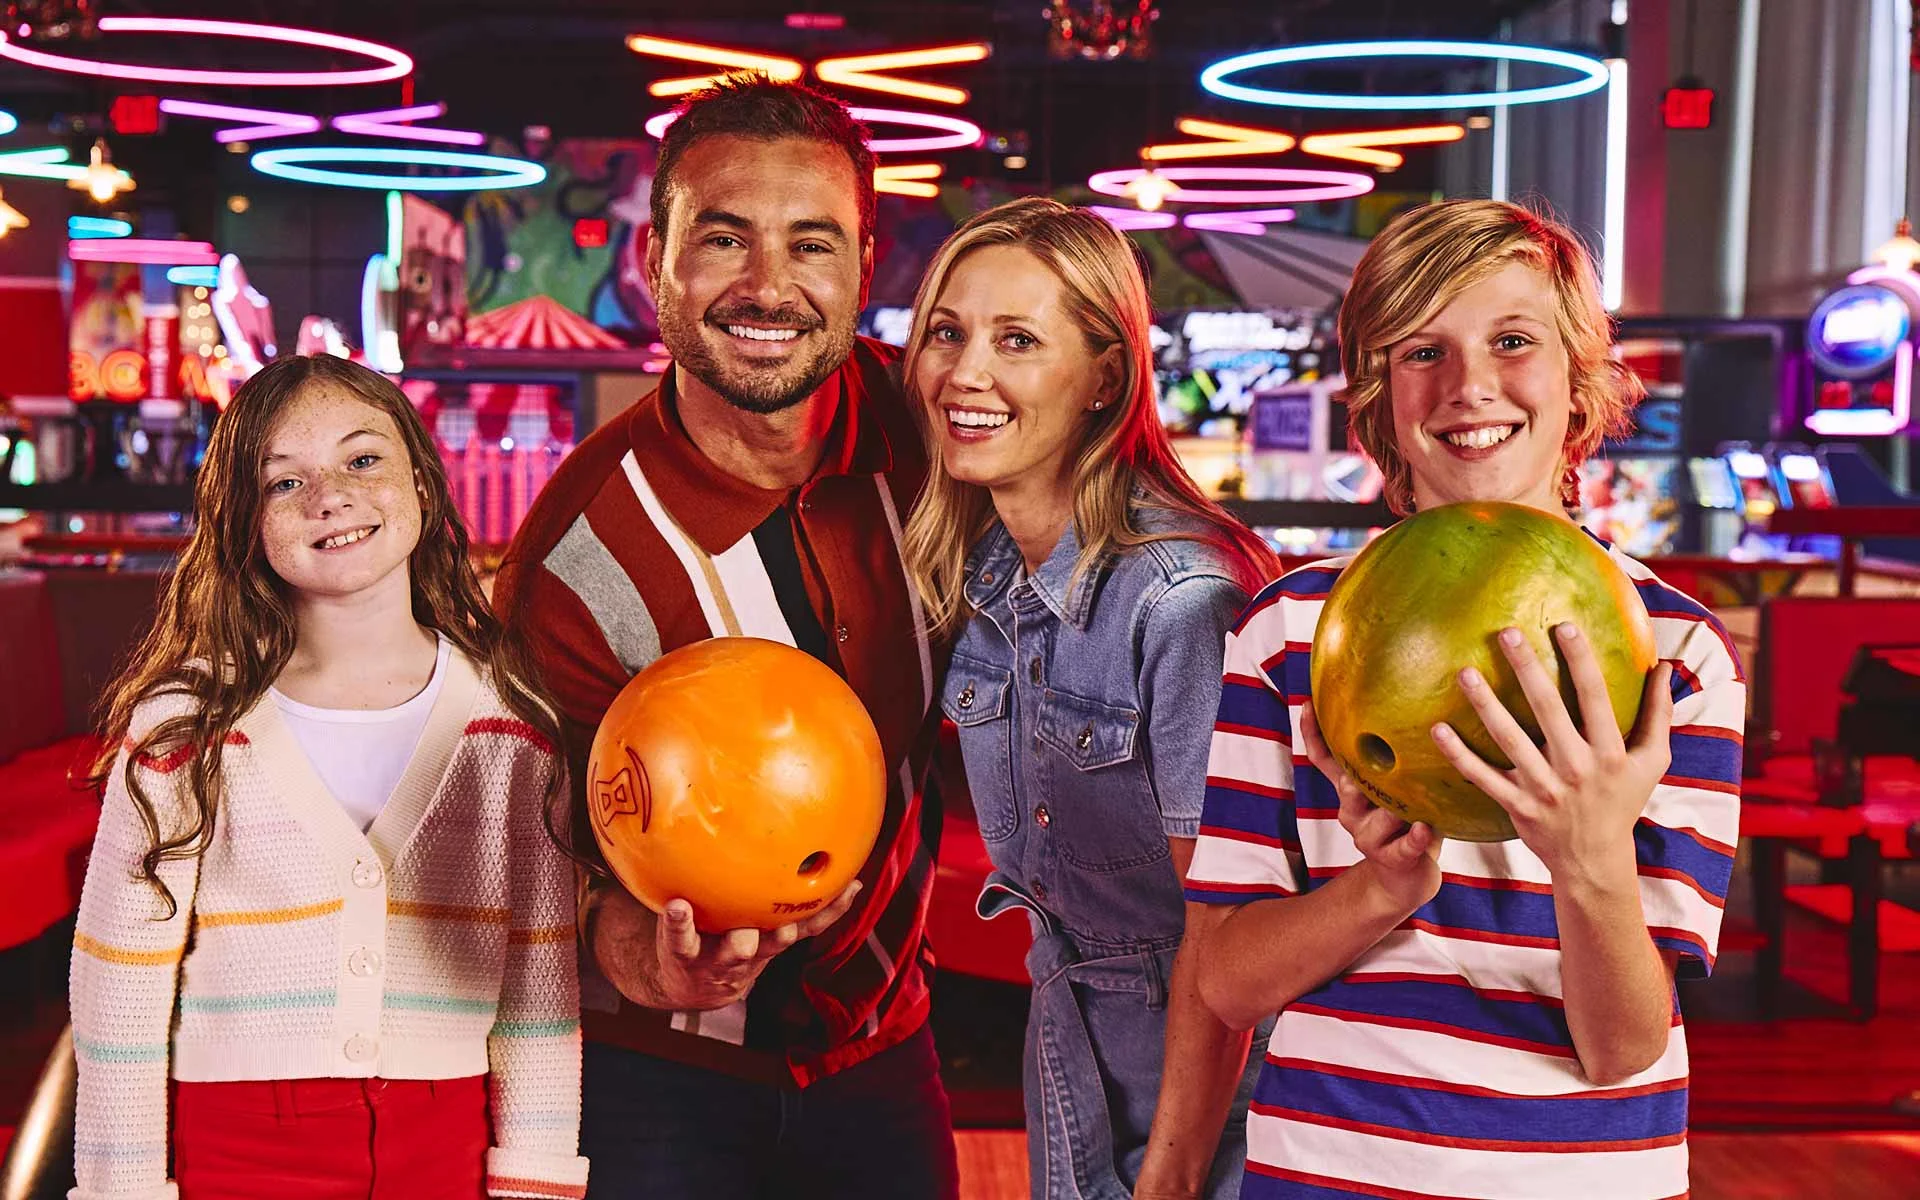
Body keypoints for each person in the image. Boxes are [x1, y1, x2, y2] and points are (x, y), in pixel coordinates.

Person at [1184, 199, 1746, 1199]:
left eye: (1514, 340)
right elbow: (1225, 981)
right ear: (1377, 398)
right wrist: (1379, 890)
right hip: (1324, 1176)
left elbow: (1622, 1051)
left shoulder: (1680, 658)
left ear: (1581, 387)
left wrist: (1591, 862)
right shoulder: (1288, 634)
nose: (1469, 386)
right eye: (1421, 352)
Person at [491, 75, 958, 1199]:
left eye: (811, 244)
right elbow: (537, 868)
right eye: (723, 239)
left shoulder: (937, 435)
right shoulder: (571, 559)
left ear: (862, 261)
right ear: (654, 257)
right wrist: (641, 958)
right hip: (659, 1081)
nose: (768, 287)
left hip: (890, 1043)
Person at [69, 354, 587, 1200]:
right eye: (283, 483)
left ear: (422, 483)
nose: (329, 496)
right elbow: (117, 989)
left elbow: (538, 994)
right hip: (231, 1145)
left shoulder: (511, 727)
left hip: (447, 1142)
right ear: (246, 523)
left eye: (362, 459)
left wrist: (535, 1184)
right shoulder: (183, 723)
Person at [900, 197, 1281, 1200]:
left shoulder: (1184, 597)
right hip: (1073, 1052)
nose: (964, 373)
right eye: (948, 332)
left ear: (1105, 376)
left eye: (1016, 340)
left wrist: (1172, 1170)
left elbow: (1227, 934)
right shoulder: (983, 575)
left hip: (1219, 1101)